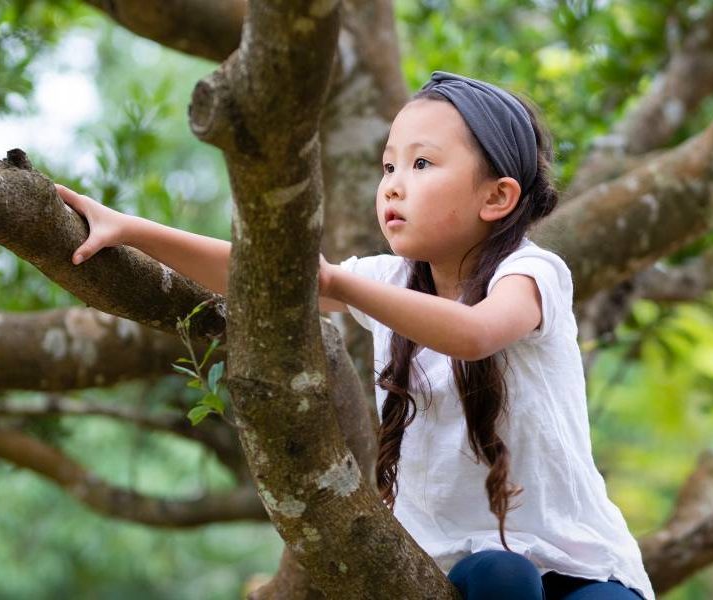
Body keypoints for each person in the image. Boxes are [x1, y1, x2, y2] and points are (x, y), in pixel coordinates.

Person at [55, 70, 655, 600]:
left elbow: (475, 334)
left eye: (422, 164)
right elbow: (258, 272)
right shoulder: (387, 279)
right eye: (388, 165)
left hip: (578, 560)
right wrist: (131, 229)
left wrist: (338, 283)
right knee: (504, 578)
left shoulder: (531, 273)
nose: (393, 184)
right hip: (464, 563)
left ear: (497, 197)